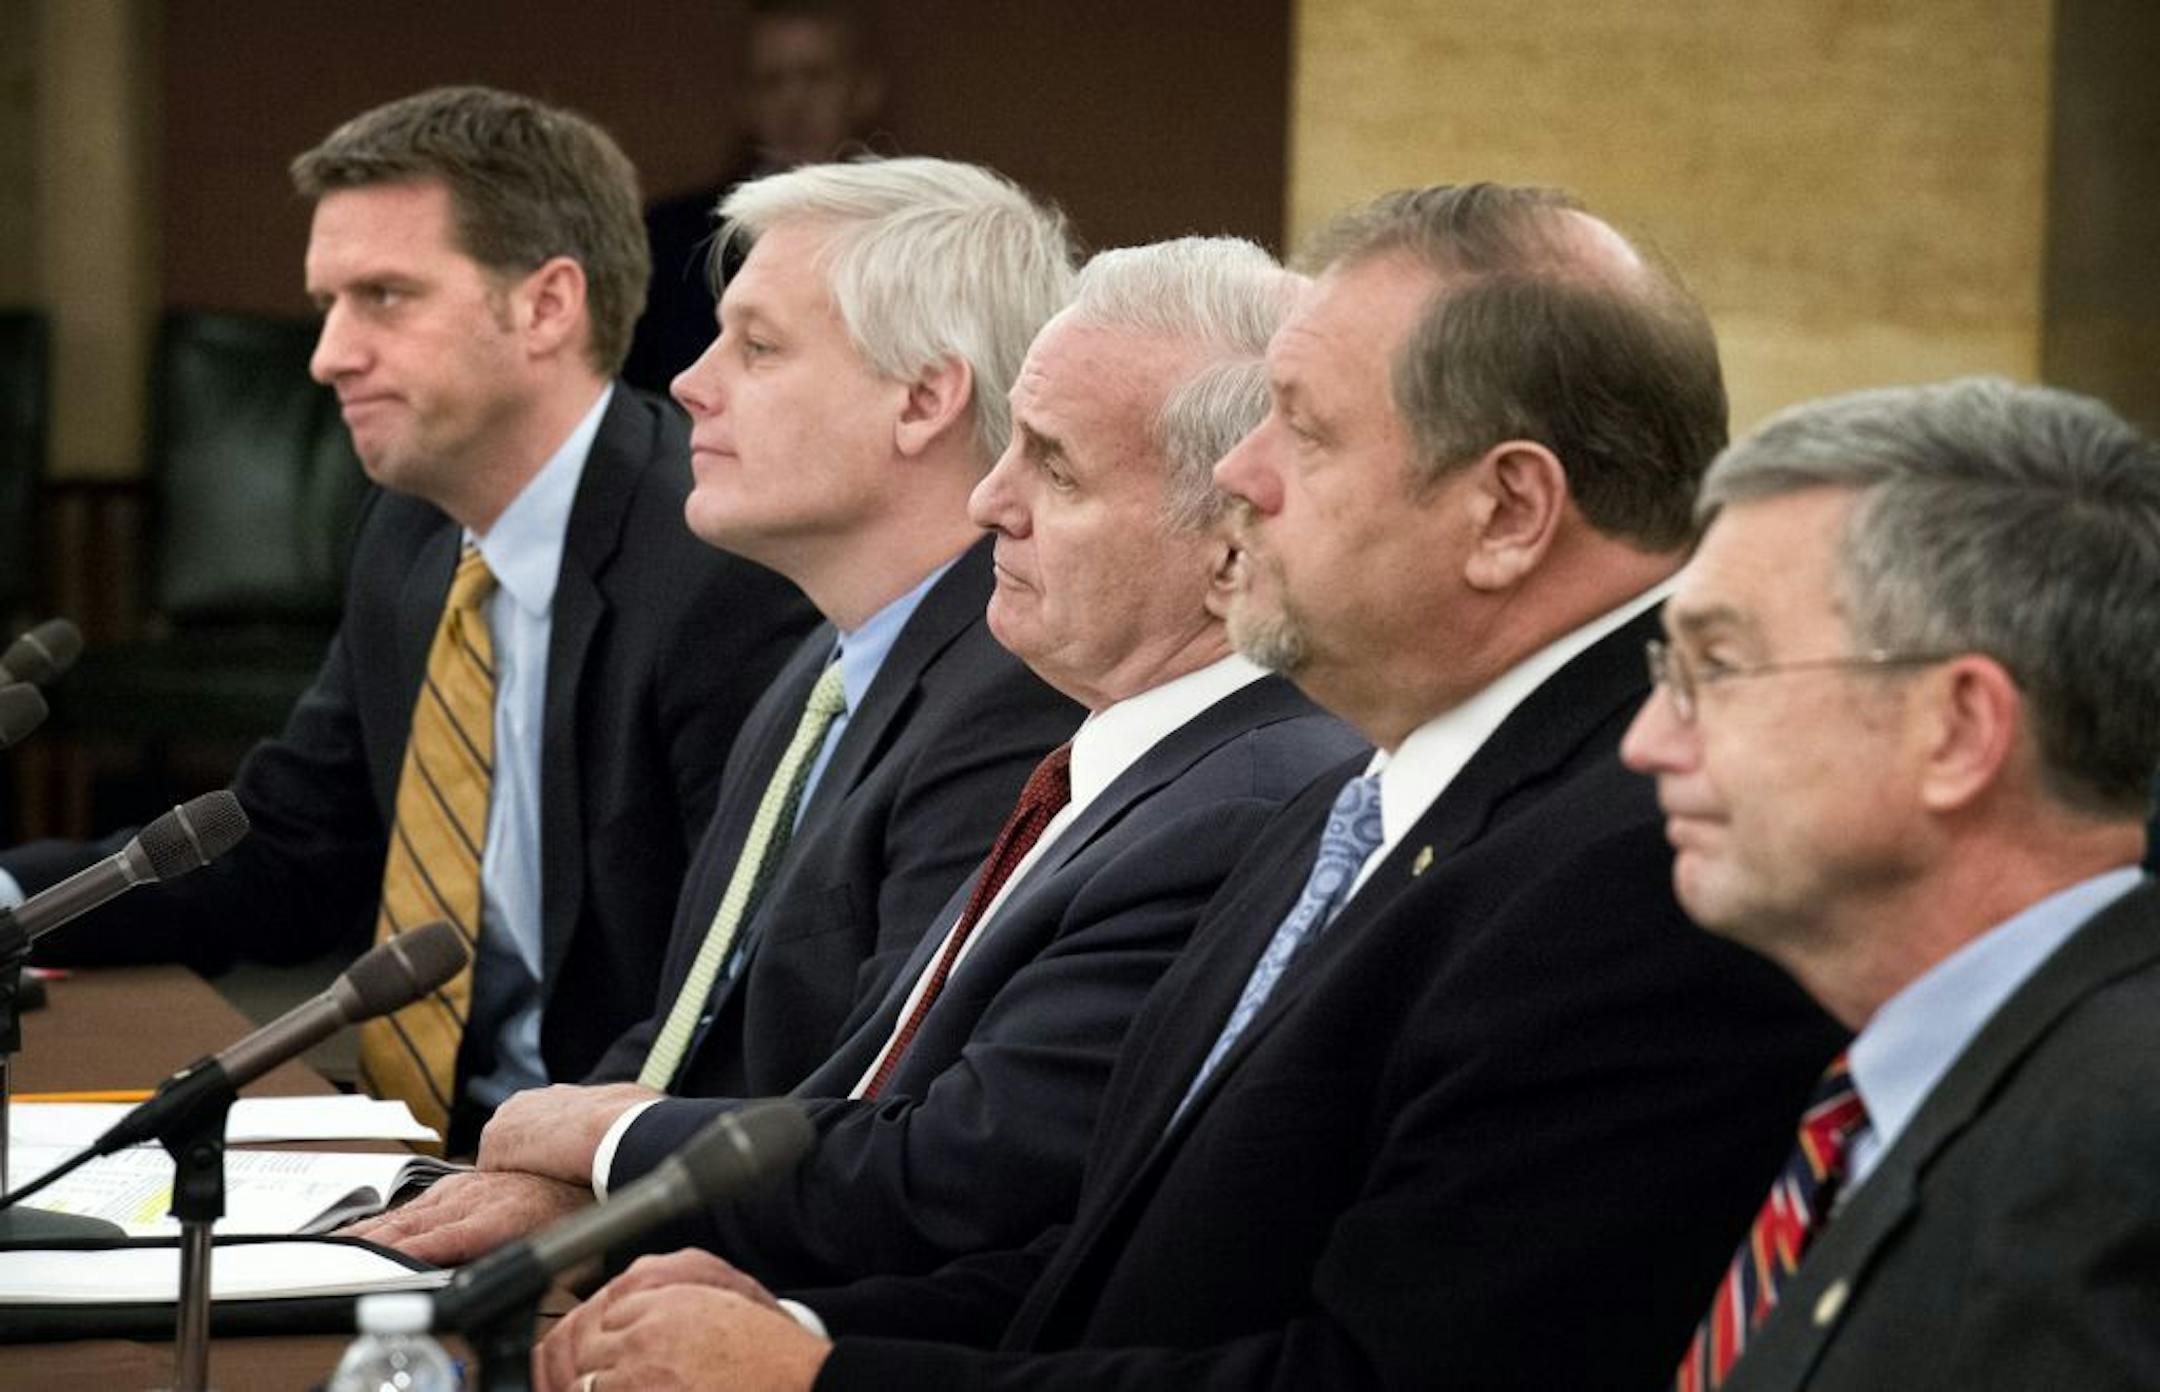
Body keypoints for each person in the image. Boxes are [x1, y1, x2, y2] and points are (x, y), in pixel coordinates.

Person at [528, 182, 1844, 1392]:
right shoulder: (1374, 796)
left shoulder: (1651, 863)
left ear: (1506, 513)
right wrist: (809, 1326)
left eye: (1306, 430)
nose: (1236, 474)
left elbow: (1371, 1379)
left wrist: (820, 1381)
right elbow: (1129, 1264)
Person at [356, 237, 1361, 1283]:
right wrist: (598, 1179)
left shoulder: (1236, 803)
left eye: (1054, 466)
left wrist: (614, 1150)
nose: (990, 502)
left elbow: (967, 1176)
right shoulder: (1115, 753)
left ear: (1233, 548)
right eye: (1009, 445)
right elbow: (866, 1091)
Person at [8, 86, 815, 1150]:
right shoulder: (412, 534)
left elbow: (740, 992)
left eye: (384, 297)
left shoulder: (718, 562)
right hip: (425, 1141)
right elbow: (291, 850)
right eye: (329, 302)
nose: (327, 354)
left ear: (546, 306)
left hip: (607, 1177)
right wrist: (15, 896)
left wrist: (540, 1168)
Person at [343, 154, 1083, 1246]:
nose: (691, 380)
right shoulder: (820, 668)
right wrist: (543, 1172)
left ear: (924, 397)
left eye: (760, 346)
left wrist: (586, 1177)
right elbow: (691, 1026)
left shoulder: (1014, 699)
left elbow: (883, 1122)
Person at [1620, 377, 2160, 1391]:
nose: (1646, 743)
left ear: (1956, 730)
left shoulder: (2115, 1156)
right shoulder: (1902, 1094)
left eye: (1719, 666)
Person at [624, 0, 886, 394]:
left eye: (815, 76)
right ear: (744, 101)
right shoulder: (672, 239)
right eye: (772, 80)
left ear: (864, 90)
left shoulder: (901, 230)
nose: (794, 100)